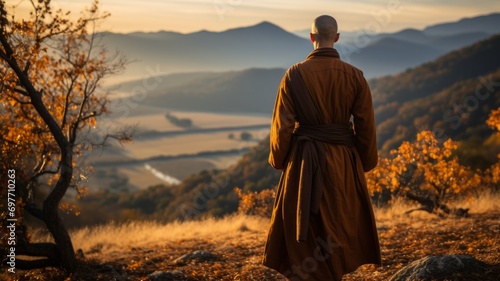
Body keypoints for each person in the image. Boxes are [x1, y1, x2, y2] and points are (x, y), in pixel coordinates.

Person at [262, 15, 382, 281]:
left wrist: (280, 160)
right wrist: (365, 163)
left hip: (304, 163)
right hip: (343, 162)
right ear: (337, 37)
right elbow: (365, 127)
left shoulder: (293, 75)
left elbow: (282, 126)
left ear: (311, 37)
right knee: (340, 224)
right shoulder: (355, 76)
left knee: (305, 230)